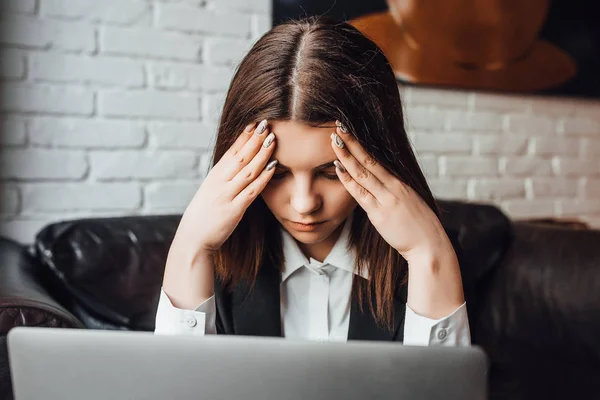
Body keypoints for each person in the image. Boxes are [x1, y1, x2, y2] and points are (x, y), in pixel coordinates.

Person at [154, 16, 470, 346]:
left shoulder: (435, 260)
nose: (305, 203)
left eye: (332, 173)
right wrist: (189, 248)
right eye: (276, 173)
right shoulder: (212, 262)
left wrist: (427, 257)